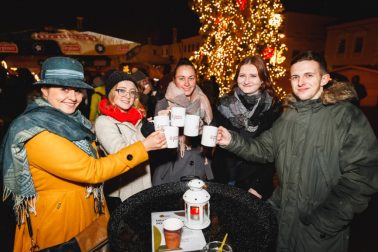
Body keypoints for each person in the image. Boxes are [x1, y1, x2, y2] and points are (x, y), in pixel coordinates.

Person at [216, 51, 378, 251]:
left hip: (320, 234)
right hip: (284, 223)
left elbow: (362, 176)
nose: (301, 81)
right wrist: (231, 140)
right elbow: (264, 148)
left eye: (309, 75)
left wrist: (327, 221)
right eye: (295, 76)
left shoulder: (347, 117)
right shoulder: (289, 116)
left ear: (324, 79)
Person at [0, 56, 166, 251]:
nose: (73, 96)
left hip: (85, 222)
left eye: (77, 90)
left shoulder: (73, 122)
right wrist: (143, 146)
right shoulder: (37, 131)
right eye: (64, 89)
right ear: (44, 90)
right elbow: (91, 170)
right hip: (57, 231)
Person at [212, 55, 282, 199]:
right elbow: (213, 135)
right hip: (224, 177)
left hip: (254, 182)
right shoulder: (223, 105)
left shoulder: (274, 109)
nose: (246, 80)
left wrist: (259, 185)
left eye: (253, 75)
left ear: (262, 79)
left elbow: (273, 151)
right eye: (242, 75)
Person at [146, 58, 214, 185]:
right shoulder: (163, 103)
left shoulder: (204, 101)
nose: (187, 83)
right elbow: (157, 142)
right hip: (171, 171)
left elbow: (210, 133)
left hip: (198, 169)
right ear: (174, 80)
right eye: (181, 78)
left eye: (191, 78)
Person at [95, 71, 152, 208]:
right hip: (122, 194)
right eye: (122, 91)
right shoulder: (104, 121)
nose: (128, 96)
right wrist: (144, 132)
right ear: (111, 93)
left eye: (132, 92)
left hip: (144, 186)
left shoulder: (138, 117)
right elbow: (121, 153)